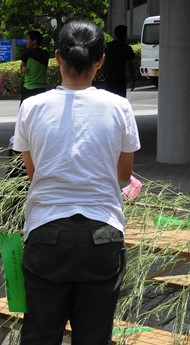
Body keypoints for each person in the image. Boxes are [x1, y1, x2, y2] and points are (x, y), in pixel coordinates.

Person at [12, 20, 140, 345]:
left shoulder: (31, 107)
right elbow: (124, 176)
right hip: (103, 235)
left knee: (40, 335)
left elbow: (33, 173)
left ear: (57, 57)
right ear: (100, 60)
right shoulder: (119, 107)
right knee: (94, 337)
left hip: (46, 234)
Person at [103, 25, 136, 97]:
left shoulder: (108, 46)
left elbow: (105, 61)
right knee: (121, 100)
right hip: (120, 79)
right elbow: (129, 65)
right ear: (124, 35)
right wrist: (132, 79)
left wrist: (104, 74)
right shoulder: (126, 48)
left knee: (110, 99)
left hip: (109, 78)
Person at [20, 30, 50, 102]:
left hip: (28, 88)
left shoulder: (27, 53)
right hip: (41, 89)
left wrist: (23, 68)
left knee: (25, 112)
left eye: (28, 39)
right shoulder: (45, 54)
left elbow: (22, 68)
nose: (26, 41)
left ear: (34, 41)